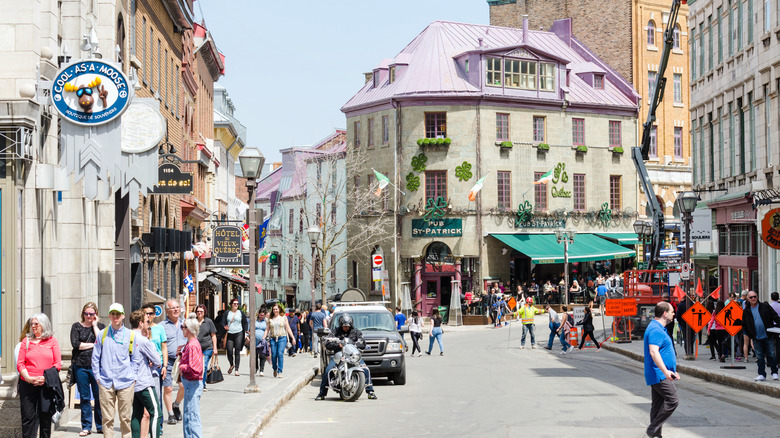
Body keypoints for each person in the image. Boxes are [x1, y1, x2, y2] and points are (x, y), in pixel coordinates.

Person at [92, 303, 141, 438]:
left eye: (118, 314)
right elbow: (95, 357)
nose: (115, 317)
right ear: (109, 315)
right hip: (106, 382)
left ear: (123, 316)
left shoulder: (131, 335)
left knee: (125, 418)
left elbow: (136, 359)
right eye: (113, 314)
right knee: (107, 419)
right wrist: (98, 377)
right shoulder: (102, 334)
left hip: (126, 381)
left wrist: (133, 376)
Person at [17, 313, 62, 438]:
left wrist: (45, 378)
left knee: (45, 419)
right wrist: (28, 378)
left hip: (45, 385)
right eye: (32, 324)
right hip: (27, 384)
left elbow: (57, 364)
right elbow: (20, 363)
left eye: (36, 324)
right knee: (28, 418)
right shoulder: (26, 341)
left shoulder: (52, 341)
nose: (33, 326)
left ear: (43, 325)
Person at [315, 314, 377, 400]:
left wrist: (357, 344)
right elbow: (328, 343)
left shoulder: (356, 332)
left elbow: (362, 342)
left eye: (347, 326)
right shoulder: (335, 332)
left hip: (352, 355)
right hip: (339, 355)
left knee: (365, 369)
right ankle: (322, 394)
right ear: (341, 325)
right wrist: (338, 345)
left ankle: (370, 392)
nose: (346, 328)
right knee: (328, 371)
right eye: (344, 326)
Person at [643, 301, 680, 438]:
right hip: (658, 374)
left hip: (660, 373)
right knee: (672, 399)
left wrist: (671, 370)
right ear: (665, 314)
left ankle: (656, 435)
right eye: (671, 311)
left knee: (657, 405)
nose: (673, 314)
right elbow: (654, 352)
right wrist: (665, 371)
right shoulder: (655, 330)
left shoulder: (658, 328)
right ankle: (653, 429)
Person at [70, 302, 105, 436]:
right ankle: (86, 426)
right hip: (81, 366)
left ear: (96, 314)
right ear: (83, 313)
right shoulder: (76, 326)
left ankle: (100, 425)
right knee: (84, 397)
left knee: (99, 397)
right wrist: (93, 344)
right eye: (86, 313)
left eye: (91, 314)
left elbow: (101, 341)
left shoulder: (101, 327)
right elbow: (76, 344)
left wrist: (95, 326)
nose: (89, 316)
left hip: (97, 367)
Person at [128, 310, 162, 438]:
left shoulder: (127, 336)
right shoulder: (143, 340)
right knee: (156, 413)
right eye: (147, 322)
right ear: (141, 323)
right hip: (144, 381)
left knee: (136, 414)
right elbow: (157, 360)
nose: (148, 324)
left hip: (132, 382)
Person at [740, 291, 780, 381]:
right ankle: (761, 374)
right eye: (751, 297)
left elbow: (775, 316)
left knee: (771, 355)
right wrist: (750, 335)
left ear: (757, 297)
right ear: (748, 299)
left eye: (754, 297)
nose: (753, 299)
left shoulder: (765, 306)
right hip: (756, 337)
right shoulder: (746, 311)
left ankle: (774, 372)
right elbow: (744, 324)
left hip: (768, 335)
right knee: (759, 356)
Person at [140, 303, 167, 436]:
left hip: (157, 367)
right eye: (146, 313)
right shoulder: (140, 330)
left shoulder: (159, 329)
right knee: (144, 400)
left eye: (151, 313)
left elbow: (164, 348)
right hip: (143, 368)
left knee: (157, 396)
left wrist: (165, 366)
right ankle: (145, 425)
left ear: (154, 315)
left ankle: (158, 426)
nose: (149, 316)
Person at [179, 313, 204, 438]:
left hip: (192, 383)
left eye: (183, 327)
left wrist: (181, 366)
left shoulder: (192, 345)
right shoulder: (192, 344)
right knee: (191, 415)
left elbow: (195, 369)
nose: (182, 329)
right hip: (191, 384)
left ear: (188, 329)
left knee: (191, 416)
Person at [162, 299, 185, 425]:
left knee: (183, 386)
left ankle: (176, 405)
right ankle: (171, 414)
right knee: (168, 388)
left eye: (178, 307)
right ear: (167, 311)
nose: (176, 310)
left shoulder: (184, 324)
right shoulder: (162, 326)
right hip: (168, 360)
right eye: (173, 308)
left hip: (182, 360)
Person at [263, 303, 295, 378]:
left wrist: (293, 338)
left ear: (279, 309)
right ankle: (274, 368)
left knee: (280, 353)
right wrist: (263, 338)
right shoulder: (270, 319)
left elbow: (288, 328)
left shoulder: (283, 318)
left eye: (276, 309)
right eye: (274, 309)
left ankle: (280, 371)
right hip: (273, 338)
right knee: (274, 355)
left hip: (282, 338)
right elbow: (267, 330)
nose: (275, 310)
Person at [220, 298, 248, 376]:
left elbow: (245, 323)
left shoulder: (241, 313)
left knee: (237, 351)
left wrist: (245, 331)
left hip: (239, 333)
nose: (236, 305)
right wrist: (224, 326)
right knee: (229, 351)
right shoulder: (227, 313)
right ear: (231, 304)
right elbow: (222, 322)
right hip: (229, 333)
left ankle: (236, 369)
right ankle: (232, 364)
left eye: (237, 304)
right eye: (234, 304)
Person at [194, 305, 217, 390]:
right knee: (197, 366)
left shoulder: (208, 322)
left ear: (204, 312)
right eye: (198, 311)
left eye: (201, 311)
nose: (199, 313)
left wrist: (215, 348)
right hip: (196, 348)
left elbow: (213, 335)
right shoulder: (194, 322)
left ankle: (202, 384)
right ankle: (197, 382)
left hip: (207, 348)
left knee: (204, 365)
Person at [254, 307, 269, 376]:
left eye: (263, 315)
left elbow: (268, 330)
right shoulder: (255, 320)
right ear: (258, 314)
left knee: (262, 356)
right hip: (254, 341)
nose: (261, 316)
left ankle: (261, 370)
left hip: (263, 341)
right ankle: (256, 368)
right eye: (260, 315)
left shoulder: (266, 321)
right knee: (255, 356)